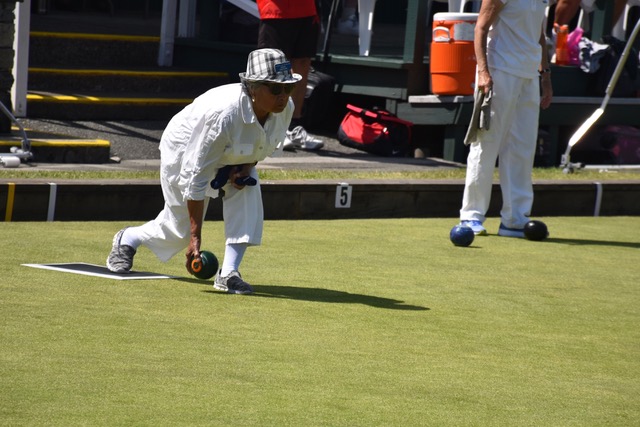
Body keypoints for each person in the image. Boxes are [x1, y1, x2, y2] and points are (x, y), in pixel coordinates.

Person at [106, 48, 300, 294]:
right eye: (275, 89)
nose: (283, 96)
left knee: (247, 185)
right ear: (252, 87)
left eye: (288, 88)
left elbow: (262, 146)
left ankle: (229, 273)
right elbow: (195, 177)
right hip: (184, 149)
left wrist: (242, 169)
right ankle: (128, 239)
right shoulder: (223, 115)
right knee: (180, 232)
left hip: (229, 152)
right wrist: (195, 238)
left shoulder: (285, 109)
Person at [458, 0, 553, 238]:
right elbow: (480, 27)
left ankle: (515, 219)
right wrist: (483, 72)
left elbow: (539, 34)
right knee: (486, 144)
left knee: (522, 147)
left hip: (529, 75)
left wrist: (545, 75)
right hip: (499, 71)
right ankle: (471, 216)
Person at [256, 0, 324, 151]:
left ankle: (293, 126)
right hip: (276, 9)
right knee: (276, 64)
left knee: (302, 63)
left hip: (307, 8)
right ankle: (271, 129)